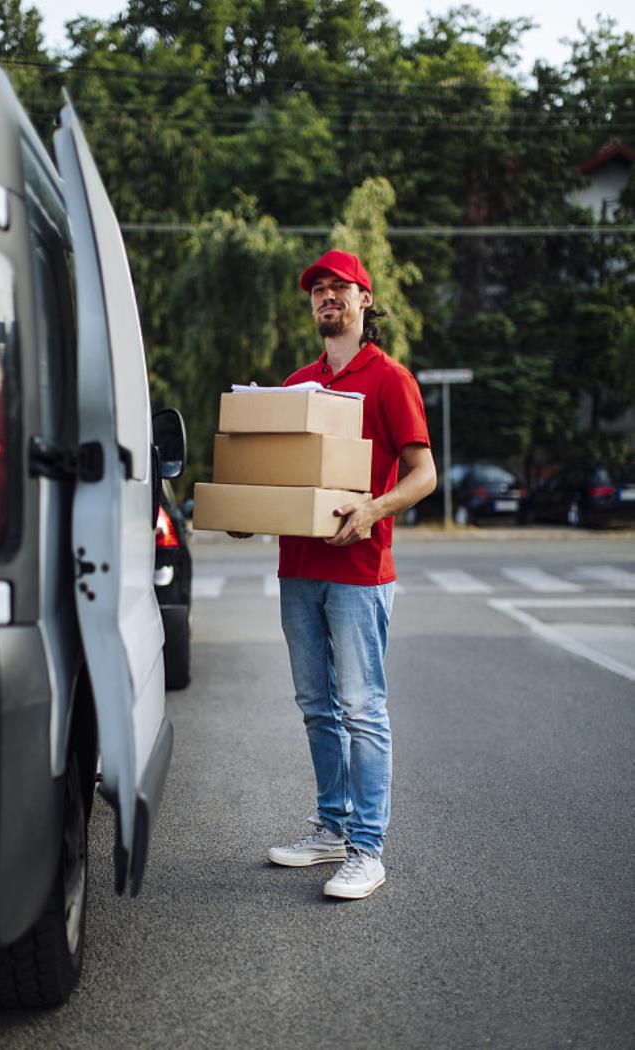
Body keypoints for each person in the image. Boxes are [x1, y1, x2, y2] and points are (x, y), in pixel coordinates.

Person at [267, 249, 436, 900]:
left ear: (366, 301)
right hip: (298, 567)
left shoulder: (389, 379)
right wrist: (249, 510)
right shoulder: (296, 384)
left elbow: (424, 475)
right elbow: (280, 475)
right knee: (317, 708)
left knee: (362, 710)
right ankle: (331, 830)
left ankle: (367, 849)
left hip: (361, 571)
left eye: (340, 288)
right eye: (317, 290)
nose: (326, 297)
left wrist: (374, 507)